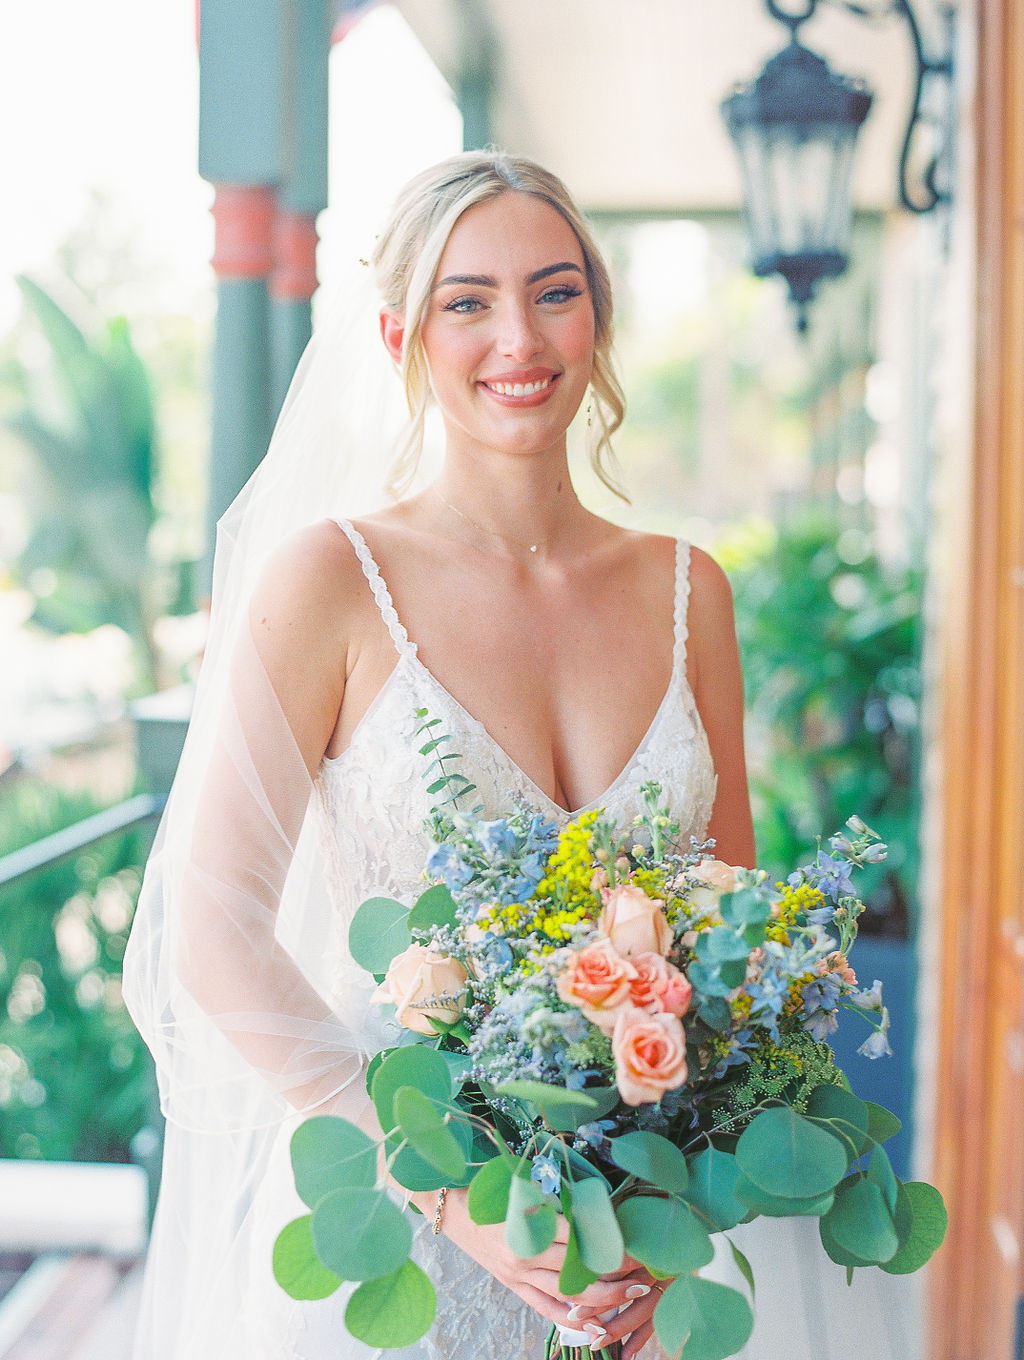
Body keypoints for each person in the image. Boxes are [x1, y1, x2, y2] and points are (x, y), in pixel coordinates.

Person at [123, 150, 755, 1360]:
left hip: (635, 1250)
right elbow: (210, 929)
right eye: (467, 301)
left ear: (599, 315)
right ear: (401, 333)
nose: (516, 336)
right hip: (396, 1245)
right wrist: (451, 1194)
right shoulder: (327, 582)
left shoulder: (690, 590)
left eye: (553, 291)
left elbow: (730, 924)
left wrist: (673, 1208)